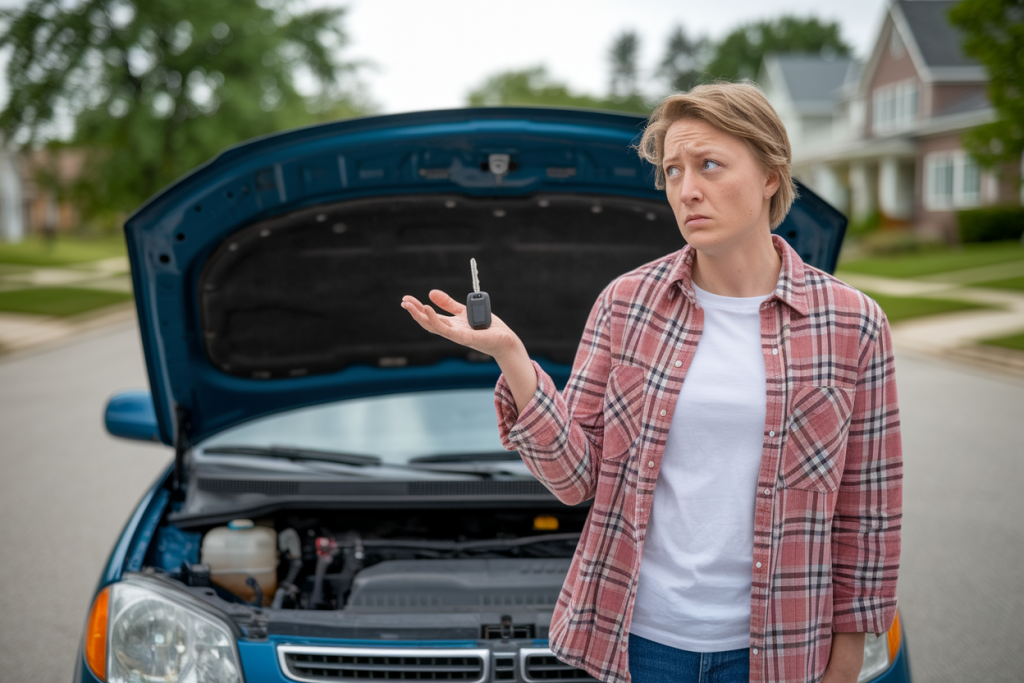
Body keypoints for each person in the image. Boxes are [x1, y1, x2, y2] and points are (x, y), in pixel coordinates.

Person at [400, 83, 902, 683]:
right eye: (672, 170)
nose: (687, 189)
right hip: (643, 644)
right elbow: (575, 478)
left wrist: (845, 665)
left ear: (771, 173)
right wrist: (512, 358)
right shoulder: (627, 305)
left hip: (783, 649)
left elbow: (868, 514)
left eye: (710, 165)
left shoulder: (853, 323)